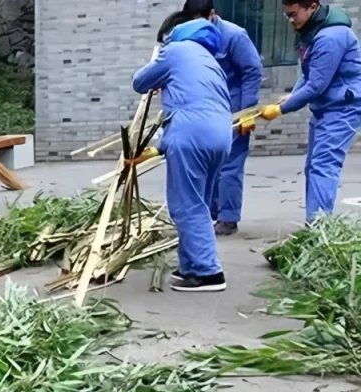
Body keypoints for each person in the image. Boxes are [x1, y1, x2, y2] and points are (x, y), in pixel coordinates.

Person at [129, 13, 232, 292]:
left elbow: (139, 82)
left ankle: (209, 273)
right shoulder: (208, 58)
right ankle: (190, 267)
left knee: (187, 205)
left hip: (192, 135)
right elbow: (196, 106)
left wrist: (158, 62)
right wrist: (156, 148)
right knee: (197, 201)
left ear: (171, 35)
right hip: (221, 134)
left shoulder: (175, 50)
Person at [259, 1, 361, 223]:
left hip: (342, 107)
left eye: (293, 14)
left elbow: (316, 86)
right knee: (313, 166)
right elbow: (308, 73)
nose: (290, 20)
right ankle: (315, 222)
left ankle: (319, 228)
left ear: (312, 7)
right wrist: (292, 95)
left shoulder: (329, 38)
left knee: (323, 166)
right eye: (286, 15)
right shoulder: (311, 31)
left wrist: (280, 109)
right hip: (327, 107)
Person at [182, 0, 263, 236]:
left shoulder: (235, 36)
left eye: (201, 19)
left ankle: (228, 218)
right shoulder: (192, 35)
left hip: (234, 108)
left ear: (213, 14)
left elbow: (252, 70)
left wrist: (247, 111)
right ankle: (214, 212)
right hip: (208, 108)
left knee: (230, 165)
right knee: (210, 165)